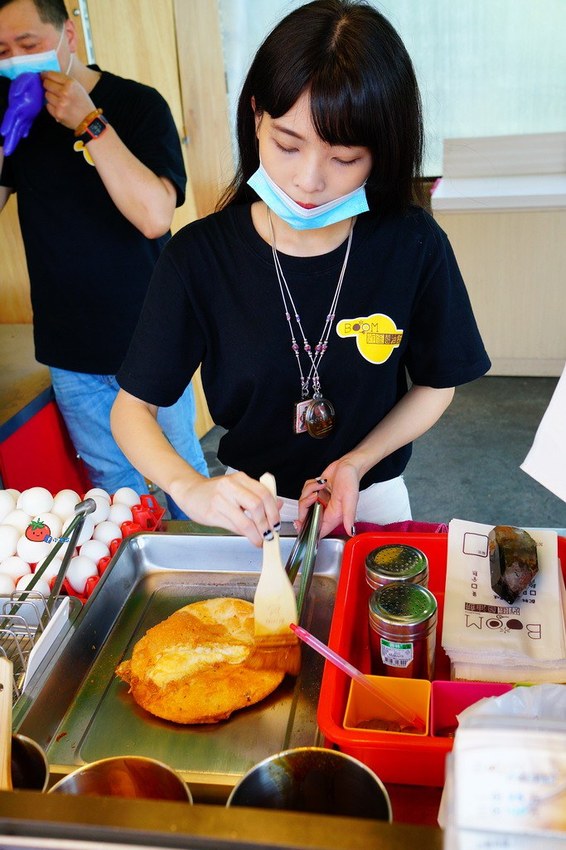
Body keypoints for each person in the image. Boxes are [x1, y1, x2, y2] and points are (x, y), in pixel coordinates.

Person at [111, 0, 491, 546]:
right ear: (256, 117)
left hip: (371, 494)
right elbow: (132, 409)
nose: (308, 181)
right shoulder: (199, 256)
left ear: (382, 151)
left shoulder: (412, 244)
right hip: (252, 506)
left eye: (345, 158)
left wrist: (358, 461)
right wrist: (190, 487)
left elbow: (437, 384)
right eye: (287, 145)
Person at [0, 0, 208, 518]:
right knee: (115, 495)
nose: (15, 59)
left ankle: (213, 566)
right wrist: (5, 135)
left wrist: (90, 122)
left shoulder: (137, 105)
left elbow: (154, 215)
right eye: (1, 52)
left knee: (182, 479)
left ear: (68, 35)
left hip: (151, 340)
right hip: (70, 352)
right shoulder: (15, 115)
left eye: (28, 44)